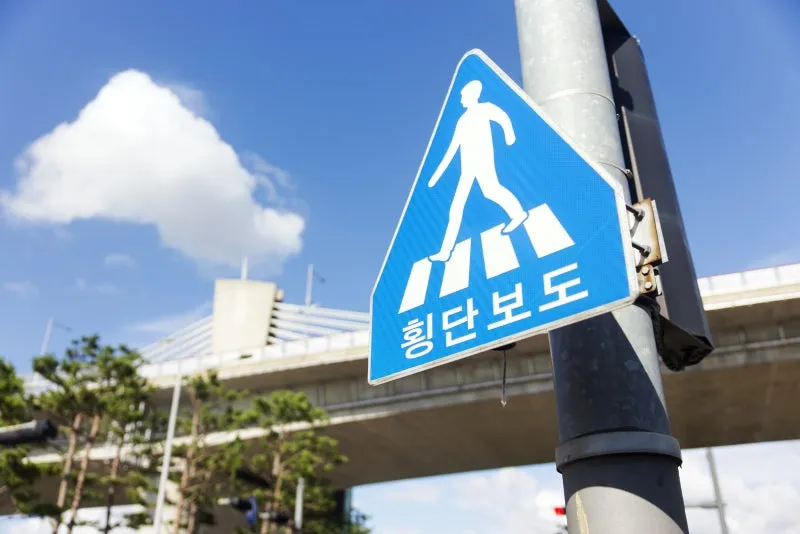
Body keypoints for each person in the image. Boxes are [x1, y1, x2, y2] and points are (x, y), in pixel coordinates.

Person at [427, 79, 528, 262]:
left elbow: (503, 118)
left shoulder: (485, 108)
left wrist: (509, 135)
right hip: (467, 168)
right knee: (456, 207)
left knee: (491, 191)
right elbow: (453, 148)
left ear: (472, 95)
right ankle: (445, 251)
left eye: (463, 96)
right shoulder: (462, 120)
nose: (460, 100)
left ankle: (518, 213)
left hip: (483, 162)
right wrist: (436, 175)